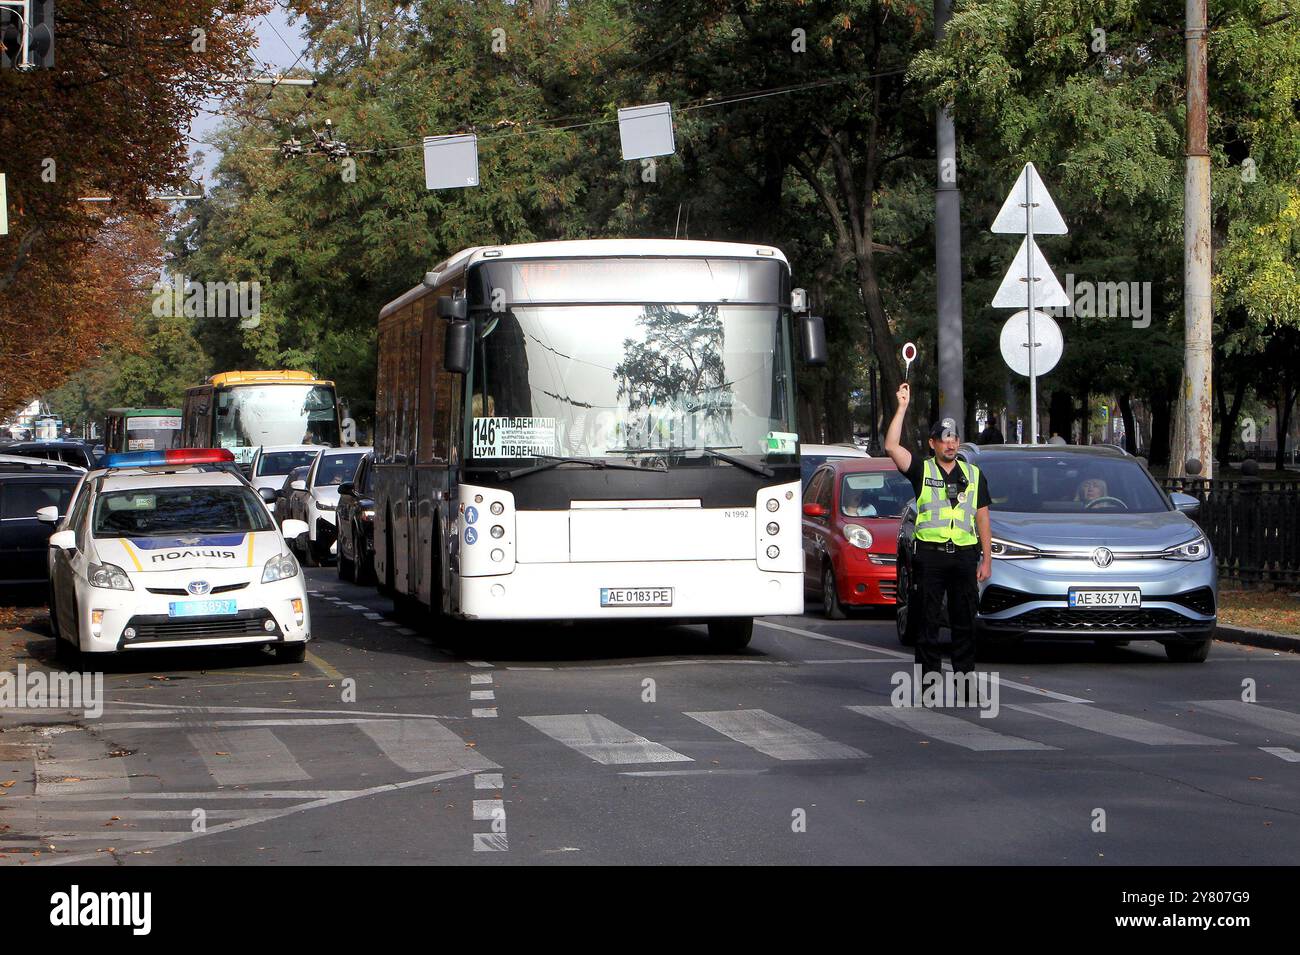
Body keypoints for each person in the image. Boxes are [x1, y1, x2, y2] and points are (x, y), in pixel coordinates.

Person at [884, 383, 992, 678]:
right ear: (933, 443)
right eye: (944, 440)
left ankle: (965, 681)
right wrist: (903, 406)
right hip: (930, 558)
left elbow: (982, 516)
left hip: (964, 557)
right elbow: (892, 446)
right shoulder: (922, 469)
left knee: (964, 623)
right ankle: (929, 683)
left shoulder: (974, 474)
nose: (950, 444)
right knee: (928, 623)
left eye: (954, 439)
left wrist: (987, 558)